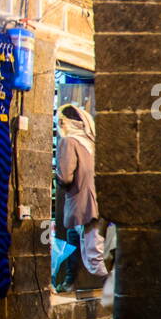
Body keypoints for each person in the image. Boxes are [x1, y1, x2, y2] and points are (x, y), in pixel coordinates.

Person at [55, 103, 108, 281]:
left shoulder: (69, 141)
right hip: (99, 204)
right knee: (97, 252)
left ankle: (119, 298)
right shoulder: (92, 142)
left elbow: (65, 177)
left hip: (83, 205)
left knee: (94, 259)